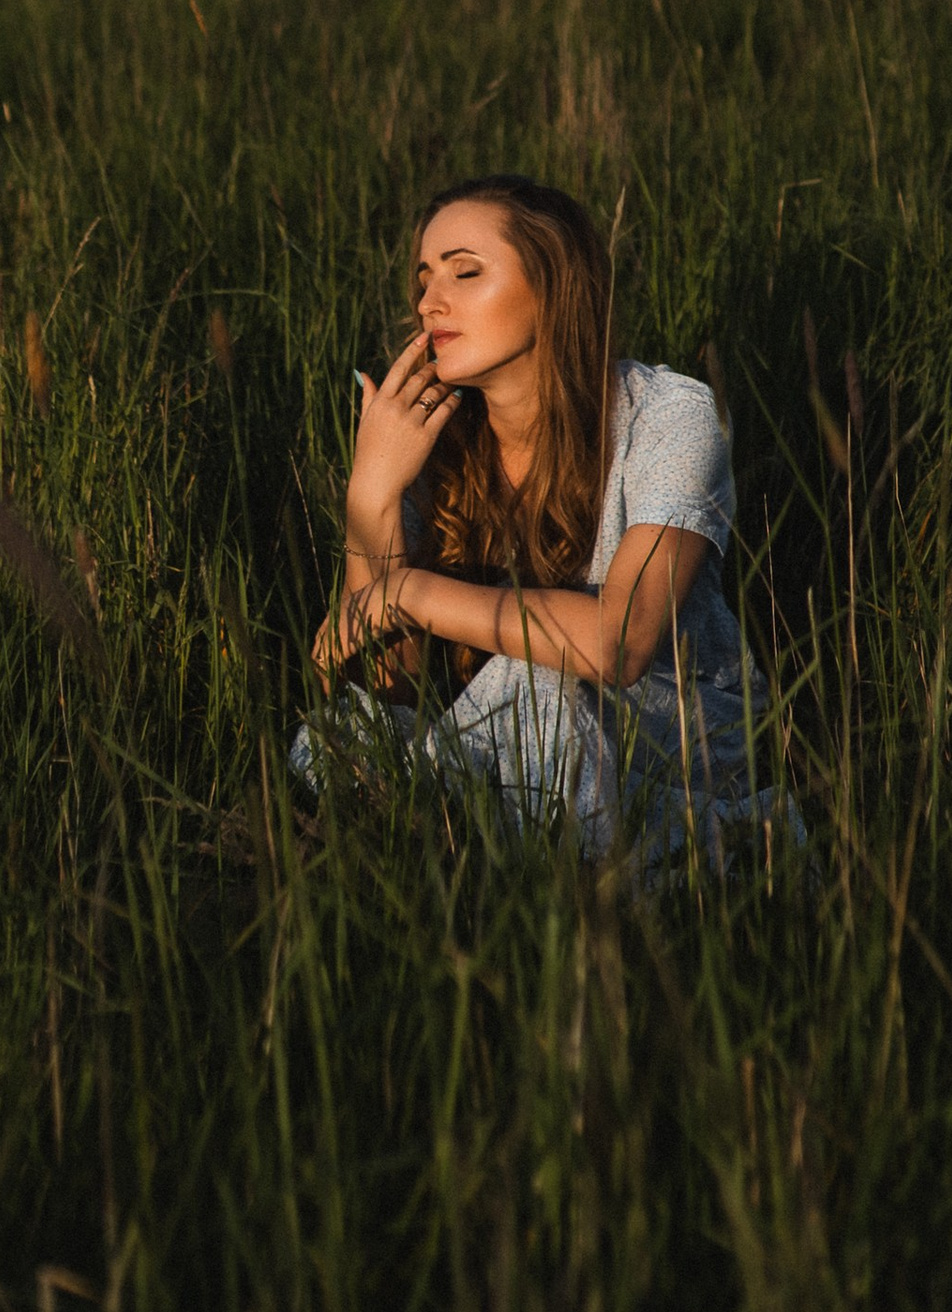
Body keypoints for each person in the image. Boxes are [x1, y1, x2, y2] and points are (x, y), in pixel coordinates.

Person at [293, 175, 790, 871]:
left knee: (537, 686)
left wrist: (406, 594)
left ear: (553, 285)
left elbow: (622, 643)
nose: (429, 300)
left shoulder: (673, 416)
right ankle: (448, 841)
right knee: (344, 734)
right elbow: (391, 686)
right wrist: (371, 492)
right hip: (503, 734)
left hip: (665, 732)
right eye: (424, 277)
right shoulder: (429, 437)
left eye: (465, 272)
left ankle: (607, 865)